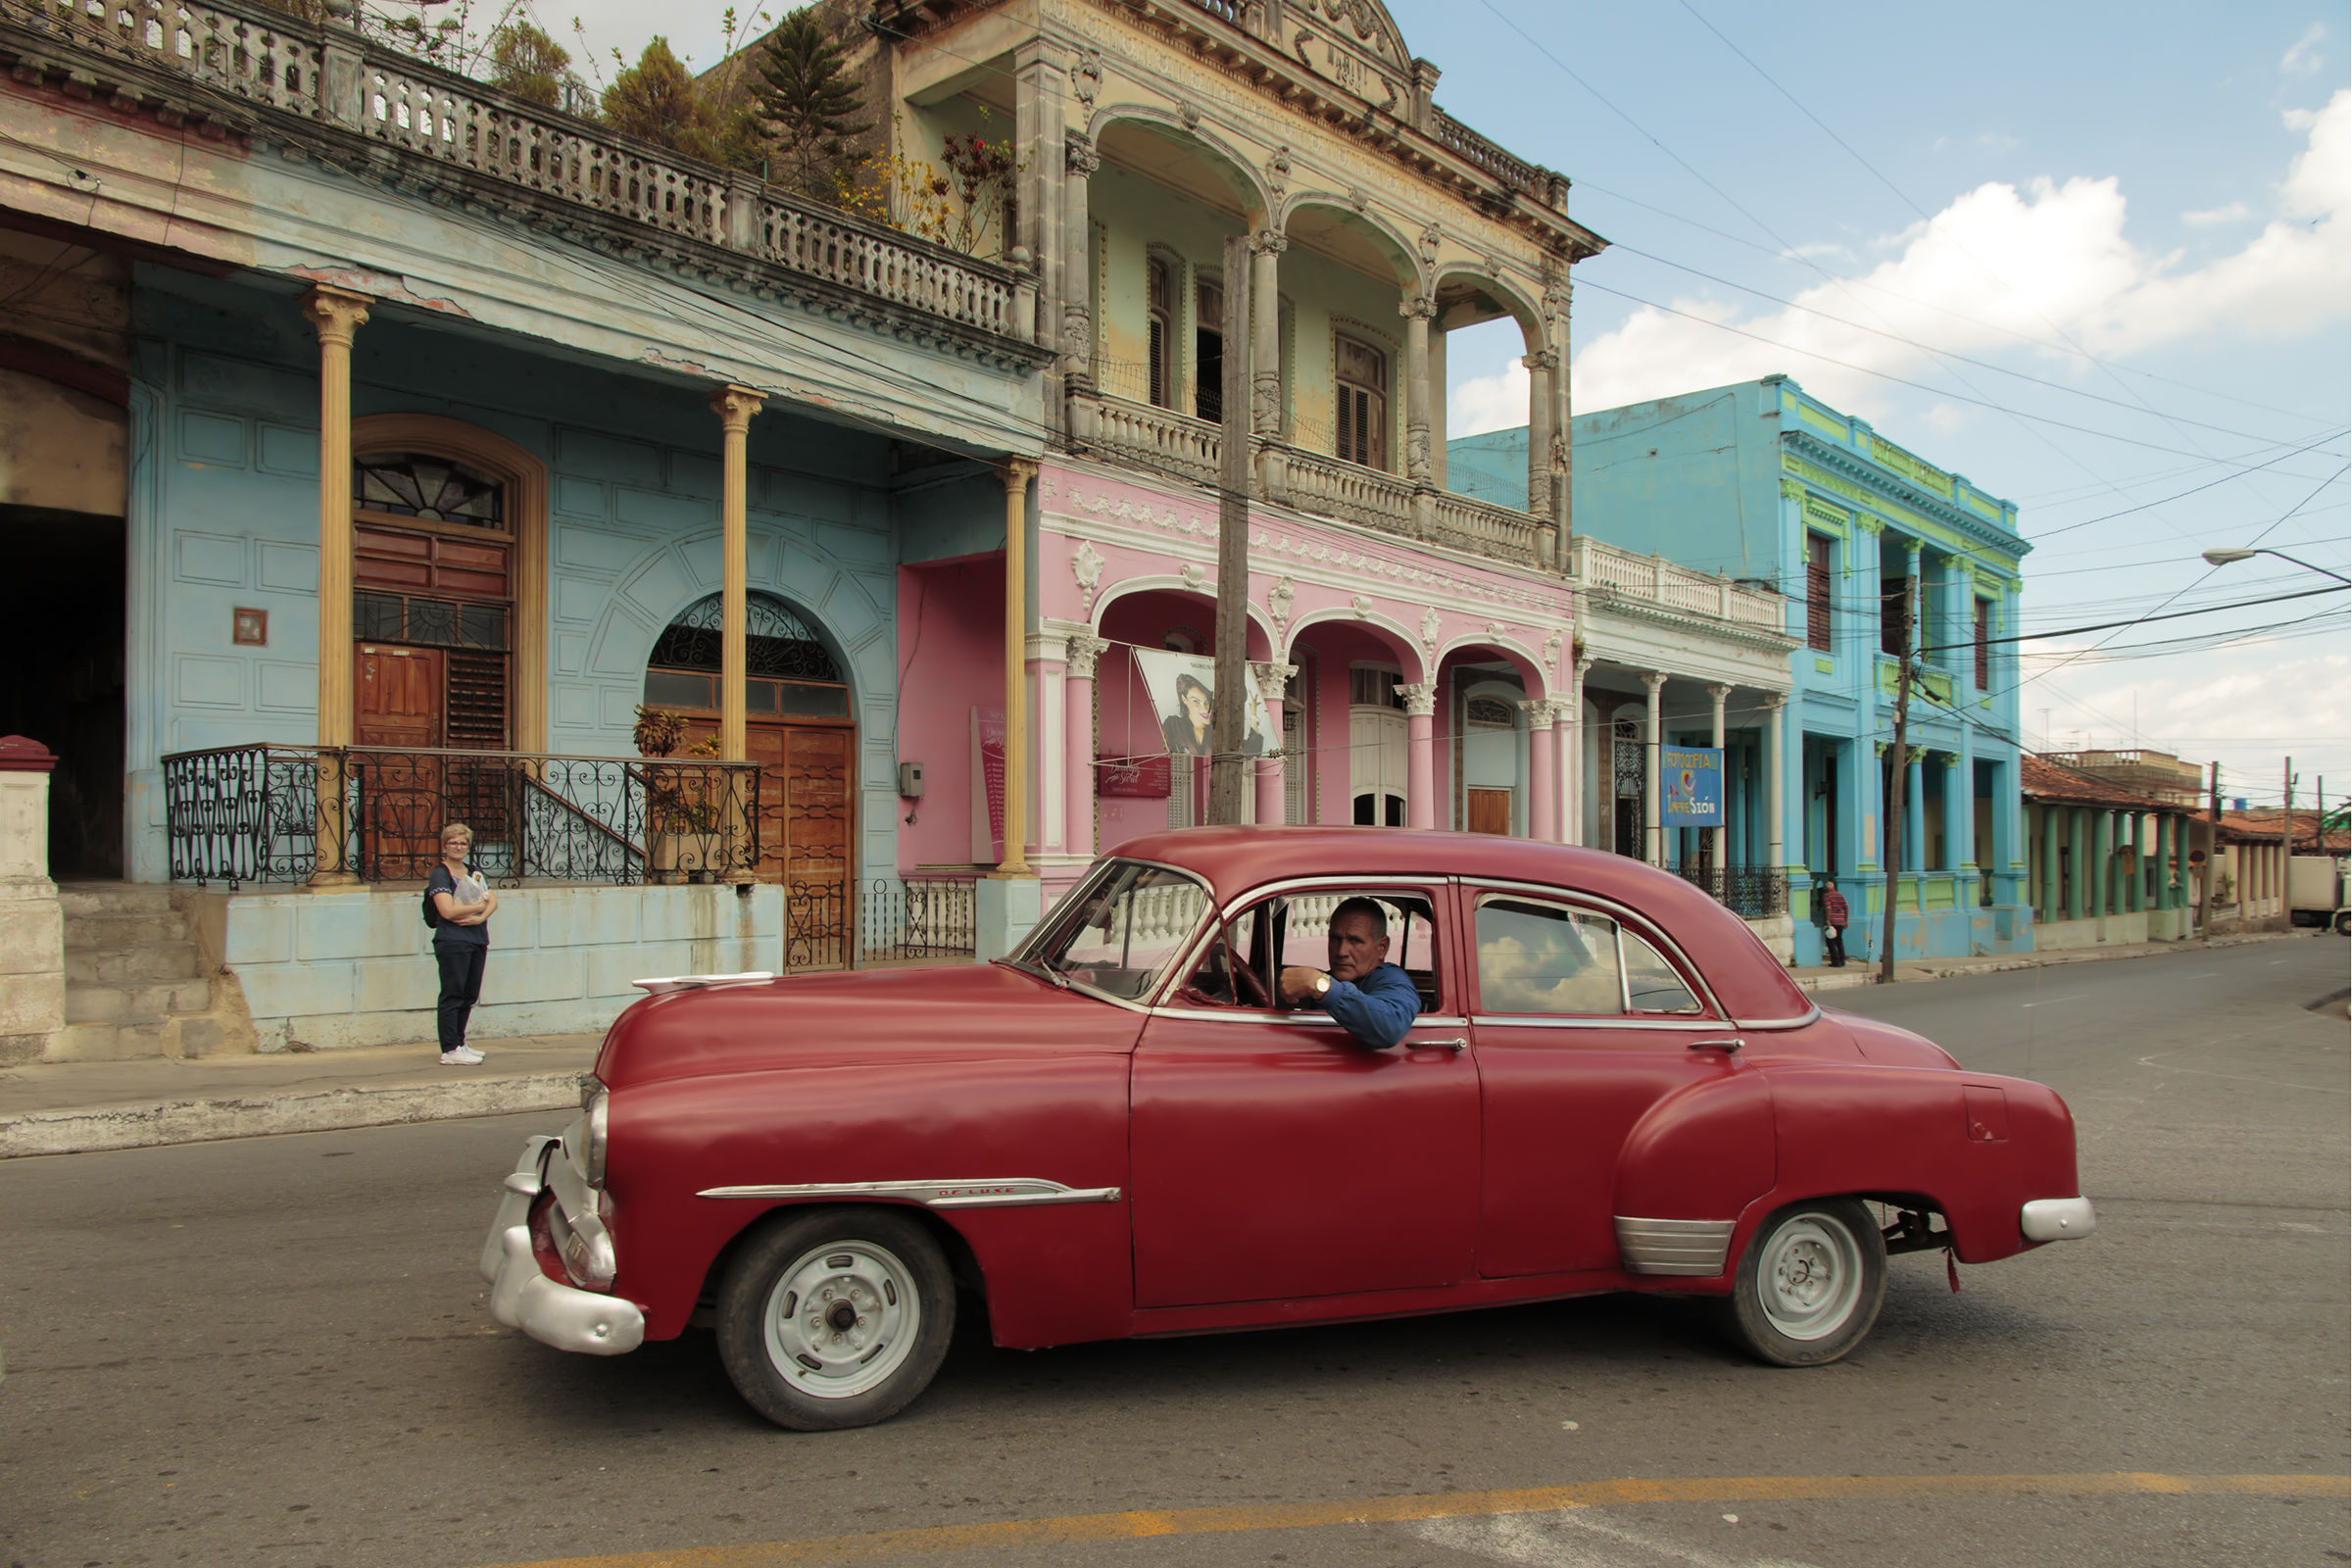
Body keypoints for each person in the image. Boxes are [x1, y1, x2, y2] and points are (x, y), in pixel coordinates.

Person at [1277, 896, 1421, 1049]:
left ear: (1382, 948)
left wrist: (1321, 986)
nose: (1341, 951)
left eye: (1355, 941)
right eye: (1335, 939)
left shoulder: (1392, 979)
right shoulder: (1332, 978)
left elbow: (1391, 1027)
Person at [427, 822, 498, 1065]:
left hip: (476, 938)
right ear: (445, 845)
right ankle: (449, 1049)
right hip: (453, 941)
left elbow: (493, 900)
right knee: (453, 994)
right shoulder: (441, 873)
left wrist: (481, 916)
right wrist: (479, 906)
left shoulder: (474, 872)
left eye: (463, 843)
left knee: (469, 994)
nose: (458, 847)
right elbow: (447, 910)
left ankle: (460, 1042)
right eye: (453, 842)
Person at [1162, 673, 1213, 757]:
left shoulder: (1215, 732)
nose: (1204, 709)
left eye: (1206, 702)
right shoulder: (1173, 725)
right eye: (1196, 702)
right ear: (1184, 699)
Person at [1820, 877, 1850, 968]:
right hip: (1840, 921)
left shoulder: (1827, 896)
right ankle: (1842, 960)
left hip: (1832, 922)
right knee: (1839, 941)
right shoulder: (1840, 895)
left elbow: (1828, 908)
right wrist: (1845, 920)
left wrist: (1828, 920)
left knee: (1831, 942)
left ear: (1826, 888)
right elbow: (1846, 908)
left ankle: (1835, 962)